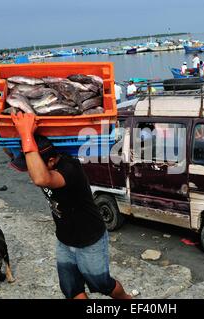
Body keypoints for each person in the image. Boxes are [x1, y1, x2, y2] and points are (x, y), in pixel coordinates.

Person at [9, 113, 131, 299]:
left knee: (102, 284)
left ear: (51, 162)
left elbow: (41, 178)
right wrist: (15, 129)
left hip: (89, 240)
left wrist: (26, 134)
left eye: (32, 164)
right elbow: (11, 152)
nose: (30, 171)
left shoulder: (70, 168)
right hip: (65, 240)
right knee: (71, 289)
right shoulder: (45, 161)